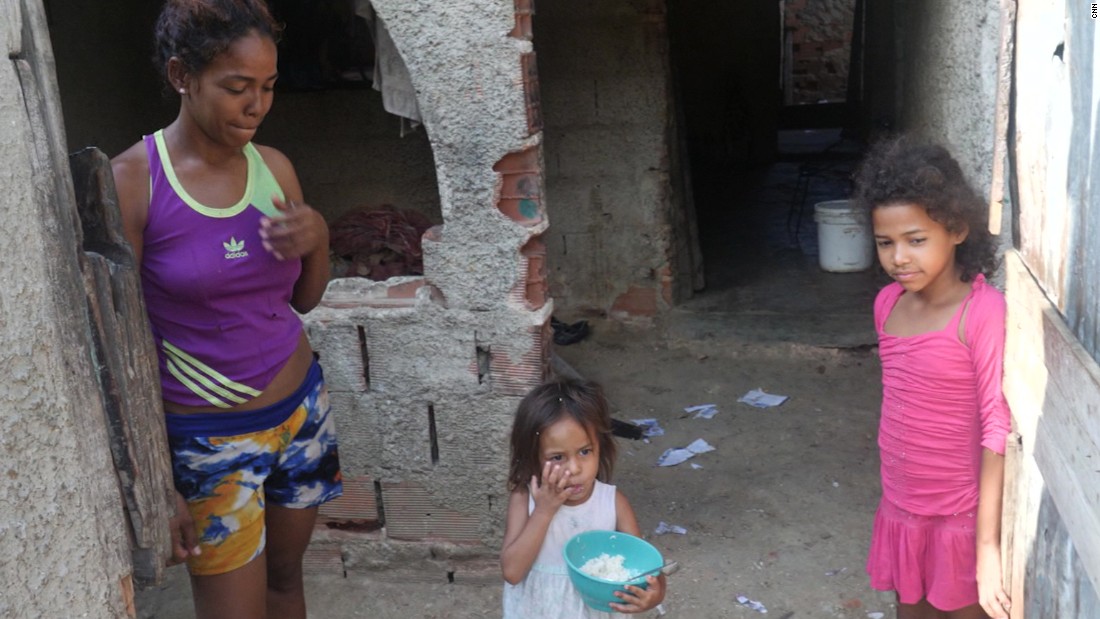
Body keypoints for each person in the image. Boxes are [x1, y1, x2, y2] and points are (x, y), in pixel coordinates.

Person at [110, 2, 340, 618]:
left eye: (267, 87)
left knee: (287, 586)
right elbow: (117, 350)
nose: (256, 105)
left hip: (302, 415)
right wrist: (156, 482)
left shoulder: (275, 169)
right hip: (209, 444)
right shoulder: (134, 183)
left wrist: (318, 236)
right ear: (182, 75)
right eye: (236, 87)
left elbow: (303, 299)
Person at [853, 137, 1012, 619]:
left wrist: (987, 545)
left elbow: (996, 426)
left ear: (958, 229)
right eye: (886, 242)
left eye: (916, 240)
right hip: (902, 508)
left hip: (959, 519)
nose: (899, 257)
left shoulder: (980, 312)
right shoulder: (888, 305)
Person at [500, 379, 667, 617]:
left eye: (585, 452)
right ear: (532, 458)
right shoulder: (524, 499)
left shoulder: (613, 503)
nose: (575, 468)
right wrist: (544, 511)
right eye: (557, 457)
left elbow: (648, 568)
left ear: (601, 447)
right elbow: (512, 572)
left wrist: (654, 596)